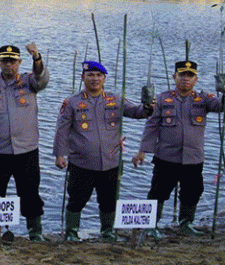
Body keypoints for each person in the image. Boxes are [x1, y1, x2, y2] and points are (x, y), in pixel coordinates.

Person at [54, 61, 153, 241]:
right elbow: (62, 131)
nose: (95, 79)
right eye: (90, 75)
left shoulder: (115, 100)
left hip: (110, 161)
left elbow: (138, 113)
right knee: (77, 199)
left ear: (104, 79)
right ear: (83, 78)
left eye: (99, 76)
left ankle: (107, 231)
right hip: (81, 162)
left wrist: (148, 107)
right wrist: (59, 155)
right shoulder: (72, 102)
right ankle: (71, 232)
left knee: (108, 200)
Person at [132, 60, 223, 238]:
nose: (185, 80)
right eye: (182, 75)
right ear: (174, 77)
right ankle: (151, 225)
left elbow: (221, 106)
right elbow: (151, 126)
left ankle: (186, 223)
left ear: (196, 80)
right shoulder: (162, 99)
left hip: (193, 158)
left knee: (193, 191)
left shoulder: (203, 99)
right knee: (158, 192)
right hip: (166, 157)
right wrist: (142, 150)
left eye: (190, 76)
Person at [0, 44, 49, 244]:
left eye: (13, 61)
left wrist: (37, 58)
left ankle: (35, 232)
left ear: (20, 63)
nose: (9, 65)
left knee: (30, 193)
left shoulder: (30, 81)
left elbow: (42, 78)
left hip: (26, 150)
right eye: (5, 61)